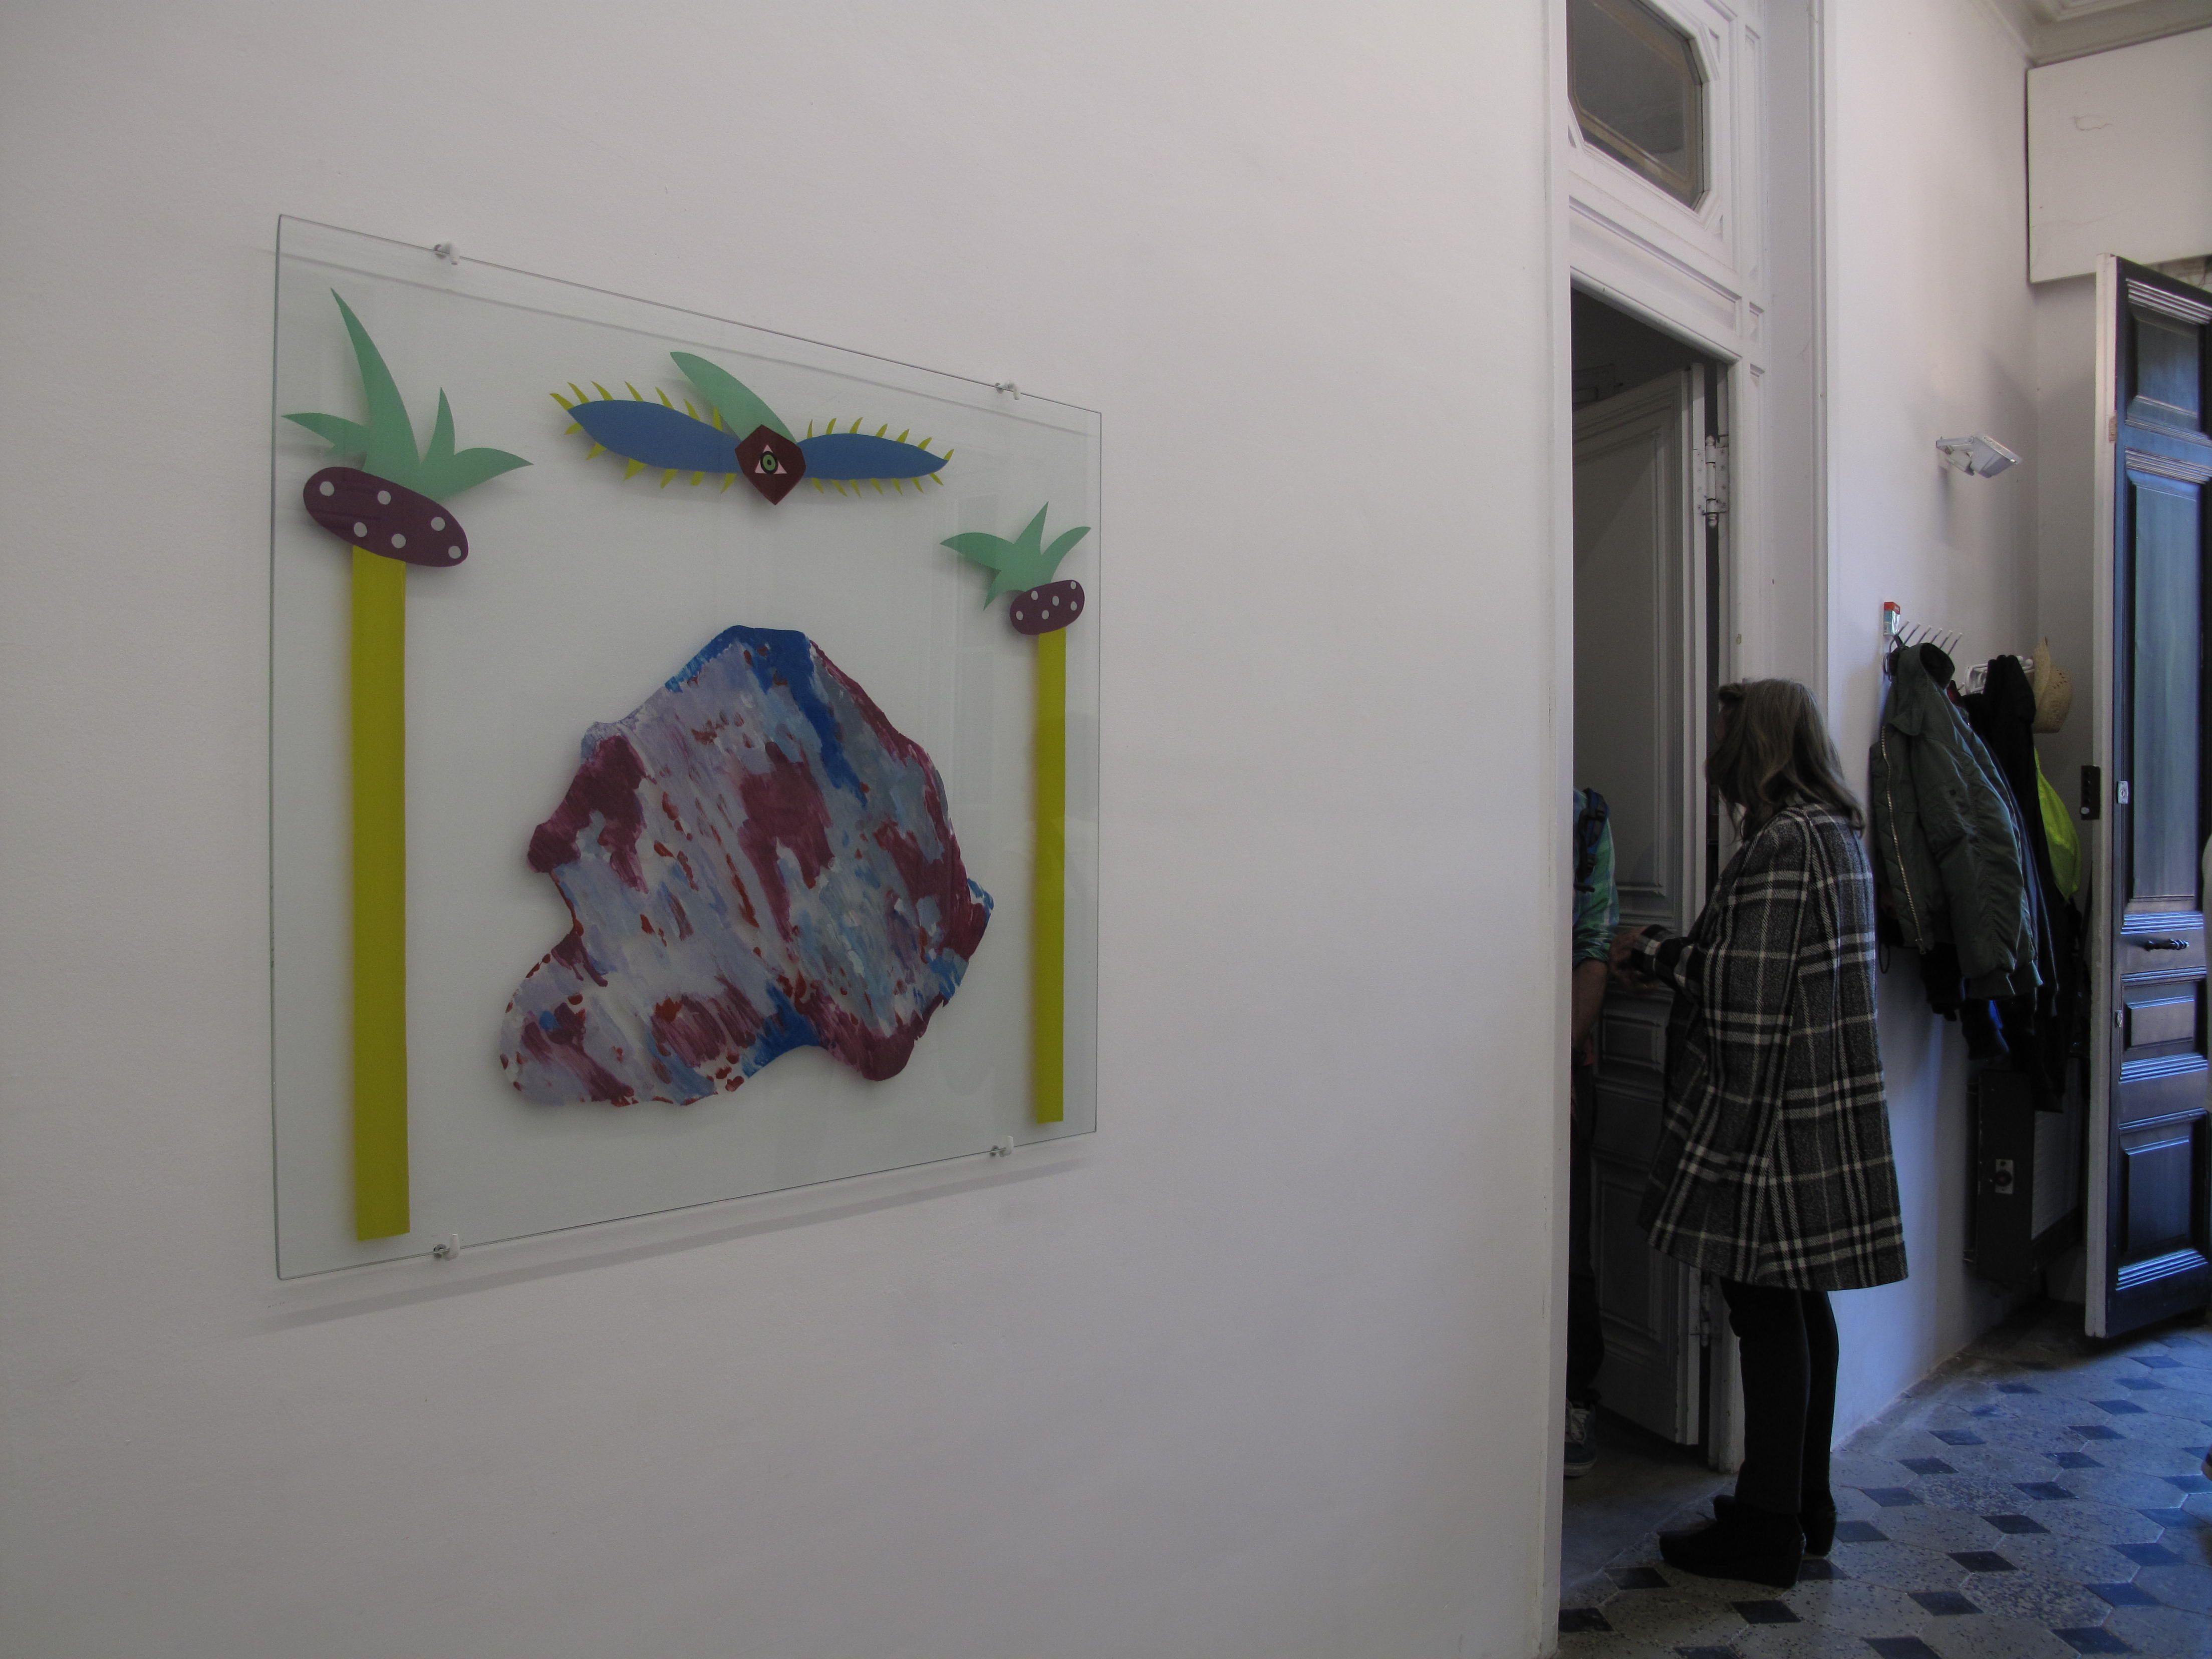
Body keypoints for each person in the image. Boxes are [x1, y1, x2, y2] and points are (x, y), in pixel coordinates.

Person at [1610, 680, 1906, 1590]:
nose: (1715, 754)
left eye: (1727, 736)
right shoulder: (1836, 833)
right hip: (1816, 1105)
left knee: (1766, 1314)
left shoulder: (1784, 843)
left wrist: (1653, 951)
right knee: (1800, 1308)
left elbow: (1744, 993)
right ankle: (1802, 1504)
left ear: (1757, 745)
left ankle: (1769, 1525)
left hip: (1772, 1112)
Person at [1565, 788, 1618, 1477]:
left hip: (1564, 1070)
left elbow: (1594, 949)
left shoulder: (1586, 817)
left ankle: (1575, 1399)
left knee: (1570, 1246)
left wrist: (1561, 1067)